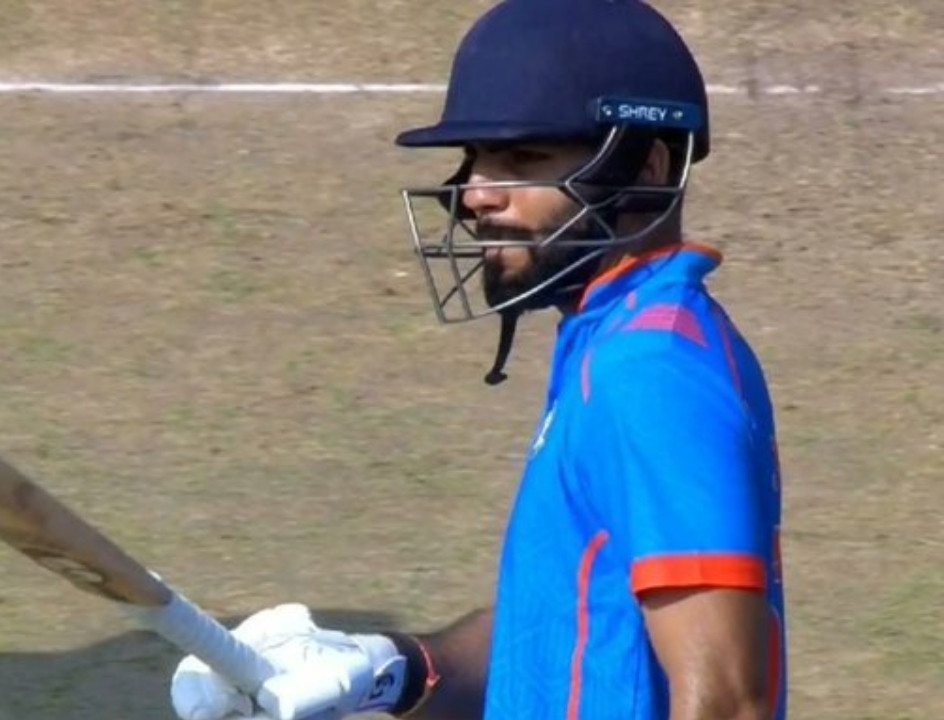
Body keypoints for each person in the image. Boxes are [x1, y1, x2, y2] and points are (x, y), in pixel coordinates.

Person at [169, 0, 787, 718]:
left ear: (645, 167)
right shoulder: (614, 337)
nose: (475, 194)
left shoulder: (652, 374)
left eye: (523, 160)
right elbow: (569, 617)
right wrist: (387, 668)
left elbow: (728, 703)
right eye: (477, 159)